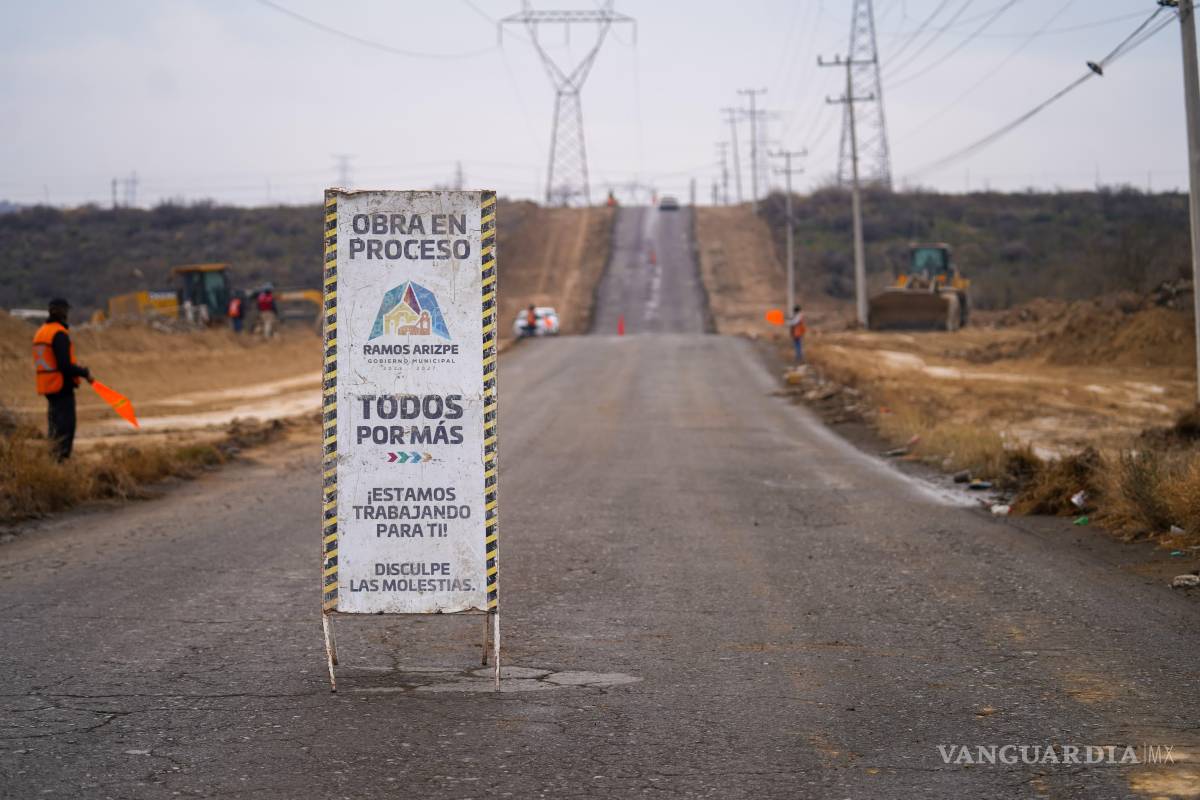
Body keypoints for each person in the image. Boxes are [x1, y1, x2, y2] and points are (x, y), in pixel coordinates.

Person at [32, 298, 93, 461]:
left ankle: (53, 465)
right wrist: (84, 372)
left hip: (48, 387)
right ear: (64, 312)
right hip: (61, 388)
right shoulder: (58, 333)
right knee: (65, 431)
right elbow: (64, 366)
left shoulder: (41, 332)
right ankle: (61, 465)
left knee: (54, 430)